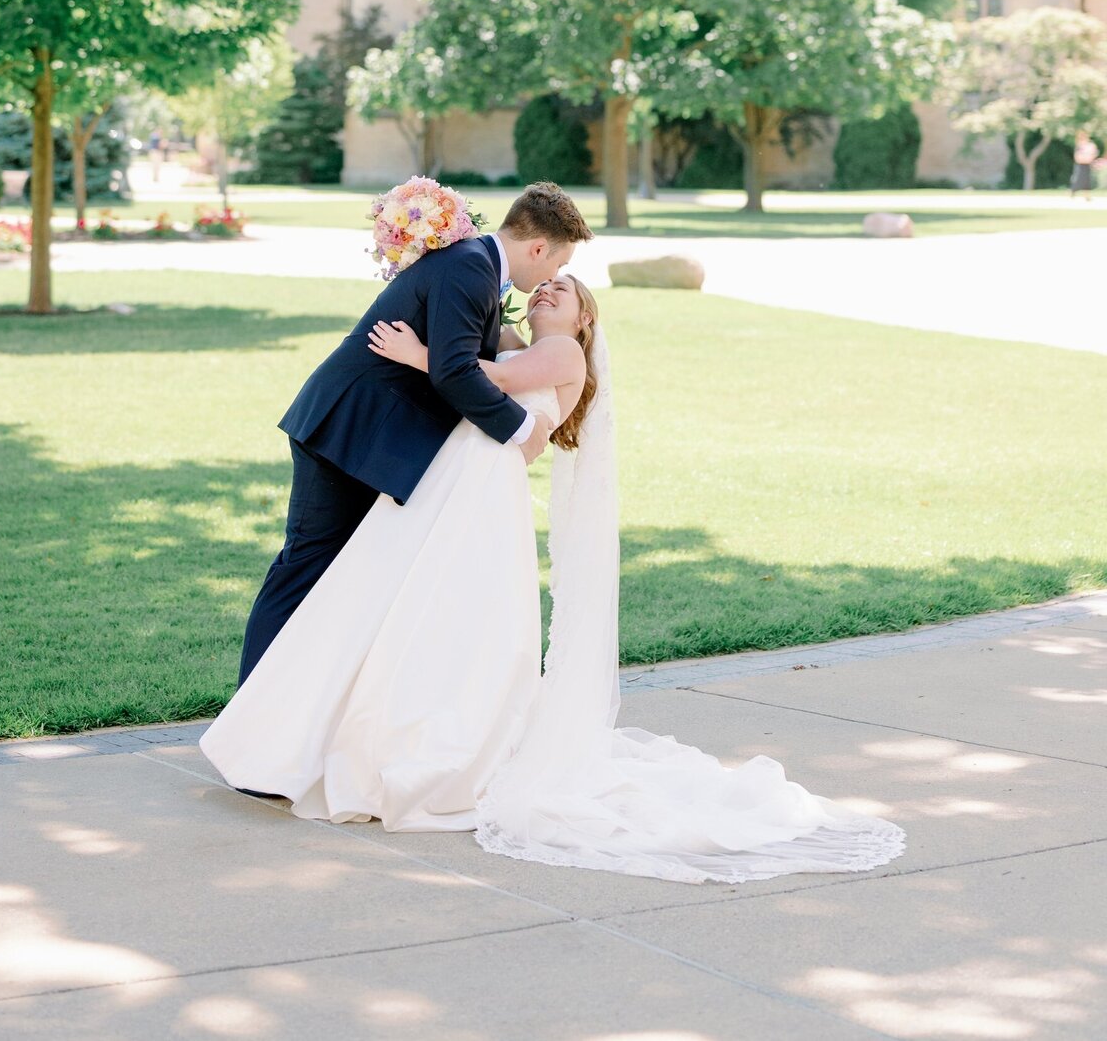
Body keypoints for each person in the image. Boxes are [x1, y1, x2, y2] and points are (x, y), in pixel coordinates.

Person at [202, 260, 905, 884]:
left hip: (476, 496)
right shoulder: (532, 342)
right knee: (399, 606)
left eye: (564, 290)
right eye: (546, 286)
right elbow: (479, 353)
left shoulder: (563, 353)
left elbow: (487, 378)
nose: (549, 293)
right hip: (456, 486)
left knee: (432, 610)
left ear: (584, 319)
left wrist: (421, 356)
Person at [234, 182, 593, 685]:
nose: (552, 277)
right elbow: (454, 371)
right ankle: (253, 708)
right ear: (537, 248)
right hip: (350, 430)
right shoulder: (471, 265)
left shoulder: (476, 268)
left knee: (348, 574)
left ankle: (308, 702)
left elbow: (470, 363)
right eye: (556, 265)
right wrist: (524, 431)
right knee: (306, 568)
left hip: (373, 437)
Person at [1071, 130, 1100, 200]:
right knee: (1078, 179)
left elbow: (1094, 153)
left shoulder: (1090, 145)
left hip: (1087, 164)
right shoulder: (1080, 145)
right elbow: (1077, 156)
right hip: (1080, 164)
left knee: (1086, 181)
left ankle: (1086, 195)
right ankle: (1072, 192)